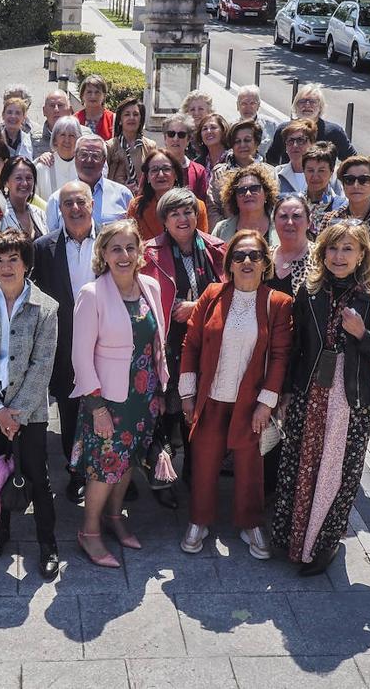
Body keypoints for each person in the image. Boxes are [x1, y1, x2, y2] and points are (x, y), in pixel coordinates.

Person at [271, 223, 370, 575]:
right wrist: (287, 391)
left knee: (336, 472)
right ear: (322, 253)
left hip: (351, 399)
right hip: (311, 393)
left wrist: (362, 334)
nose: (339, 257)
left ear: (362, 255)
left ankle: (321, 546)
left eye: (348, 249)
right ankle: (293, 539)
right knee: (299, 465)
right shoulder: (309, 292)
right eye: (333, 249)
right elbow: (297, 348)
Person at [179, 230, 293, 561]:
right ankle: (199, 520)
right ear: (229, 264)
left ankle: (250, 523)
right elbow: (192, 344)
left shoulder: (278, 303)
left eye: (254, 256)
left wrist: (265, 403)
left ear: (265, 263)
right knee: (203, 461)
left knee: (249, 465)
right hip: (211, 398)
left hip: (250, 403)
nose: (246, 262)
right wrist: (187, 393)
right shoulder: (212, 294)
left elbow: (281, 356)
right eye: (239, 256)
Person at [70, 221, 169, 566]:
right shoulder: (92, 294)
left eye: (130, 248)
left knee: (127, 462)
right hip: (108, 400)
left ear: (140, 252)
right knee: (103, 468)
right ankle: (90, 531)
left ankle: (115, 517)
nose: (124, 255)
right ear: (103, 255)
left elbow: (157, 342)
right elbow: (80, 357)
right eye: (116, 249)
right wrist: (96, 406)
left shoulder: (151, 287)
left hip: (144, 396)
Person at [0, 229, 60, 580]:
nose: (6, 266)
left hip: (29, 410)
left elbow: (42, 364)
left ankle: (47, 543)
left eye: (13, 259)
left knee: (37, 475)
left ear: (26, 265)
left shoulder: (46, 308)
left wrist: (16, 412)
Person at [139, 188, 227, 509]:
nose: (182, 218)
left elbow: (231, 293)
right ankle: (162, 478)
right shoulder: (150, 253)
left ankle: (194, 474)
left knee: (198, 415)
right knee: (167, 414)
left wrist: (197, 306)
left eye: (188, 211)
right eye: (174, 213)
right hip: (166, 346)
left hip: (207, 347)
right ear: (164, 220)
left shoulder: (216, 249)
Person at [32, 181, 99, 502]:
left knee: (109, 408)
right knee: (70, 411)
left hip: (106, 343)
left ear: (92, 204)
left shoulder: (112, 241)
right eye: (67, 203)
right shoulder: (44, 248)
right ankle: (77, 474)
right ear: (59, 210)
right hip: (63, 345)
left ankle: (113, 475)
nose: (75, 208)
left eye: (80, 202)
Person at [317, 155, 370, 289]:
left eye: (364, 180)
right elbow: (319, 262)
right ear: (343, 185)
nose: (356, 185)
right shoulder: (329, 219)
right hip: (330, 295)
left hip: (368, 299)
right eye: (349, 180)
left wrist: (359, 302)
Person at [45, 135, 133, 232]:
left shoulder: (123, 195)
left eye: (95, 156)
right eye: (83, 155)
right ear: (75, 157)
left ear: (104, 160)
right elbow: (51, 240)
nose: (89, 160)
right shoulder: (57, 198)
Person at [127, 147, 209, 240]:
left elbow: (202, 243)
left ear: (175, 174)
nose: (161, 174)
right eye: (154, 170)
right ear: (148, 177)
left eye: (166, 169)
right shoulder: (136, 207)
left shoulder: (197, 206)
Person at [265, 83, 356, 166]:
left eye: (312, 101)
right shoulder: (284, 129)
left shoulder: (334, 132)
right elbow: (271, 159)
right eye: (302, 101)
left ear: (320, 107)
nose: (307, 105)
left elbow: (352, 160)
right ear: (295, 106)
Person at [206, 118, 274, 226]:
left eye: (247, 140)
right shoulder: (219, 173)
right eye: (237, 141)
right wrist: (226, 232)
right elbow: (213, 208)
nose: (242, 145)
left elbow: (274, 207)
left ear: (256, 143)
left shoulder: (270, 172)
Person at [211, 164, 280, 246]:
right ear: (235, 198)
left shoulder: (280, 226)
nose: (248, 194)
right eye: (241, 191)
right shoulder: (220, 230)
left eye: (254, 188)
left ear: (266, 194)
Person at [267, 195, 315, 298]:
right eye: (283, 216)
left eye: (296, 216)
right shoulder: (264, 257)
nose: (289, 222)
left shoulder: (320, 257)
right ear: (274, 222)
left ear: (309, 222)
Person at [106, 98, 157, 194]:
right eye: (127, 114)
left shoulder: (150, 146)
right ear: (120, 120)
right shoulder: (110, 146)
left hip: (142, 200)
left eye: (136, 114)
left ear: (141, 119)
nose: (131, 118)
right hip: (116, 198)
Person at [161, 113, 209, 202]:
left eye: (181, 135)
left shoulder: (198, 171)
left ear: (188, 139)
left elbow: (202, 205)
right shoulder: (152, 167)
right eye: (171, 134)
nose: (175, 139)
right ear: (165, 138)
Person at [301, 143, 346, 235]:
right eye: (310, 170)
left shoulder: (342, 208)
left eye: (321, 171)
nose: (315, 176)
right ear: (303, 171)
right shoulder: (295, 204)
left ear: (332, 171)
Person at [35, 115, 83, 200]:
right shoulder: (42, 168)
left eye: (72, 135)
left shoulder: (84, 166)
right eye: (62, 135)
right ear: (55, 139)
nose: (67, 140)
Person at [0, 156, 47, 239]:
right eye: (18, 178)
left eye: (29, 178)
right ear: (6, 182)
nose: (24, 183)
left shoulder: (40, 214)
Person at [32, 90, 88, 157]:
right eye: (52, 105)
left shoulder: (85, 136)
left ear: (70, 110)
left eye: (60, 105)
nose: (56, 109)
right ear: (44, 111)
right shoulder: (33, 139)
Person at [273, 119, 317, 196]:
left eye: (301, 140)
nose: (295, 145)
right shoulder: (276, 174)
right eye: (290, 140)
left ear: (312, 144)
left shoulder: (326, 174)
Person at [235, 85, 278, 160]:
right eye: (244, 103)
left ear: (258, 105)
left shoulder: (272, 125)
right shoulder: (231, 127)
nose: (248, 107)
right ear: (238, 106)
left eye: (252, 103)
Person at [193, 113, 229, 189]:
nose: (208, 131)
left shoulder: (233, 159)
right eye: (205, 129)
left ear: (223, 131)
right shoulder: (197, 163)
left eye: (213, 127)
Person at [75, 75, 114, 140]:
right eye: (89, 92)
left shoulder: (113, 119)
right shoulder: (75, 120)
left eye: (97, 92)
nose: (93, 96)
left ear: (104, 96)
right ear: (82, 95)